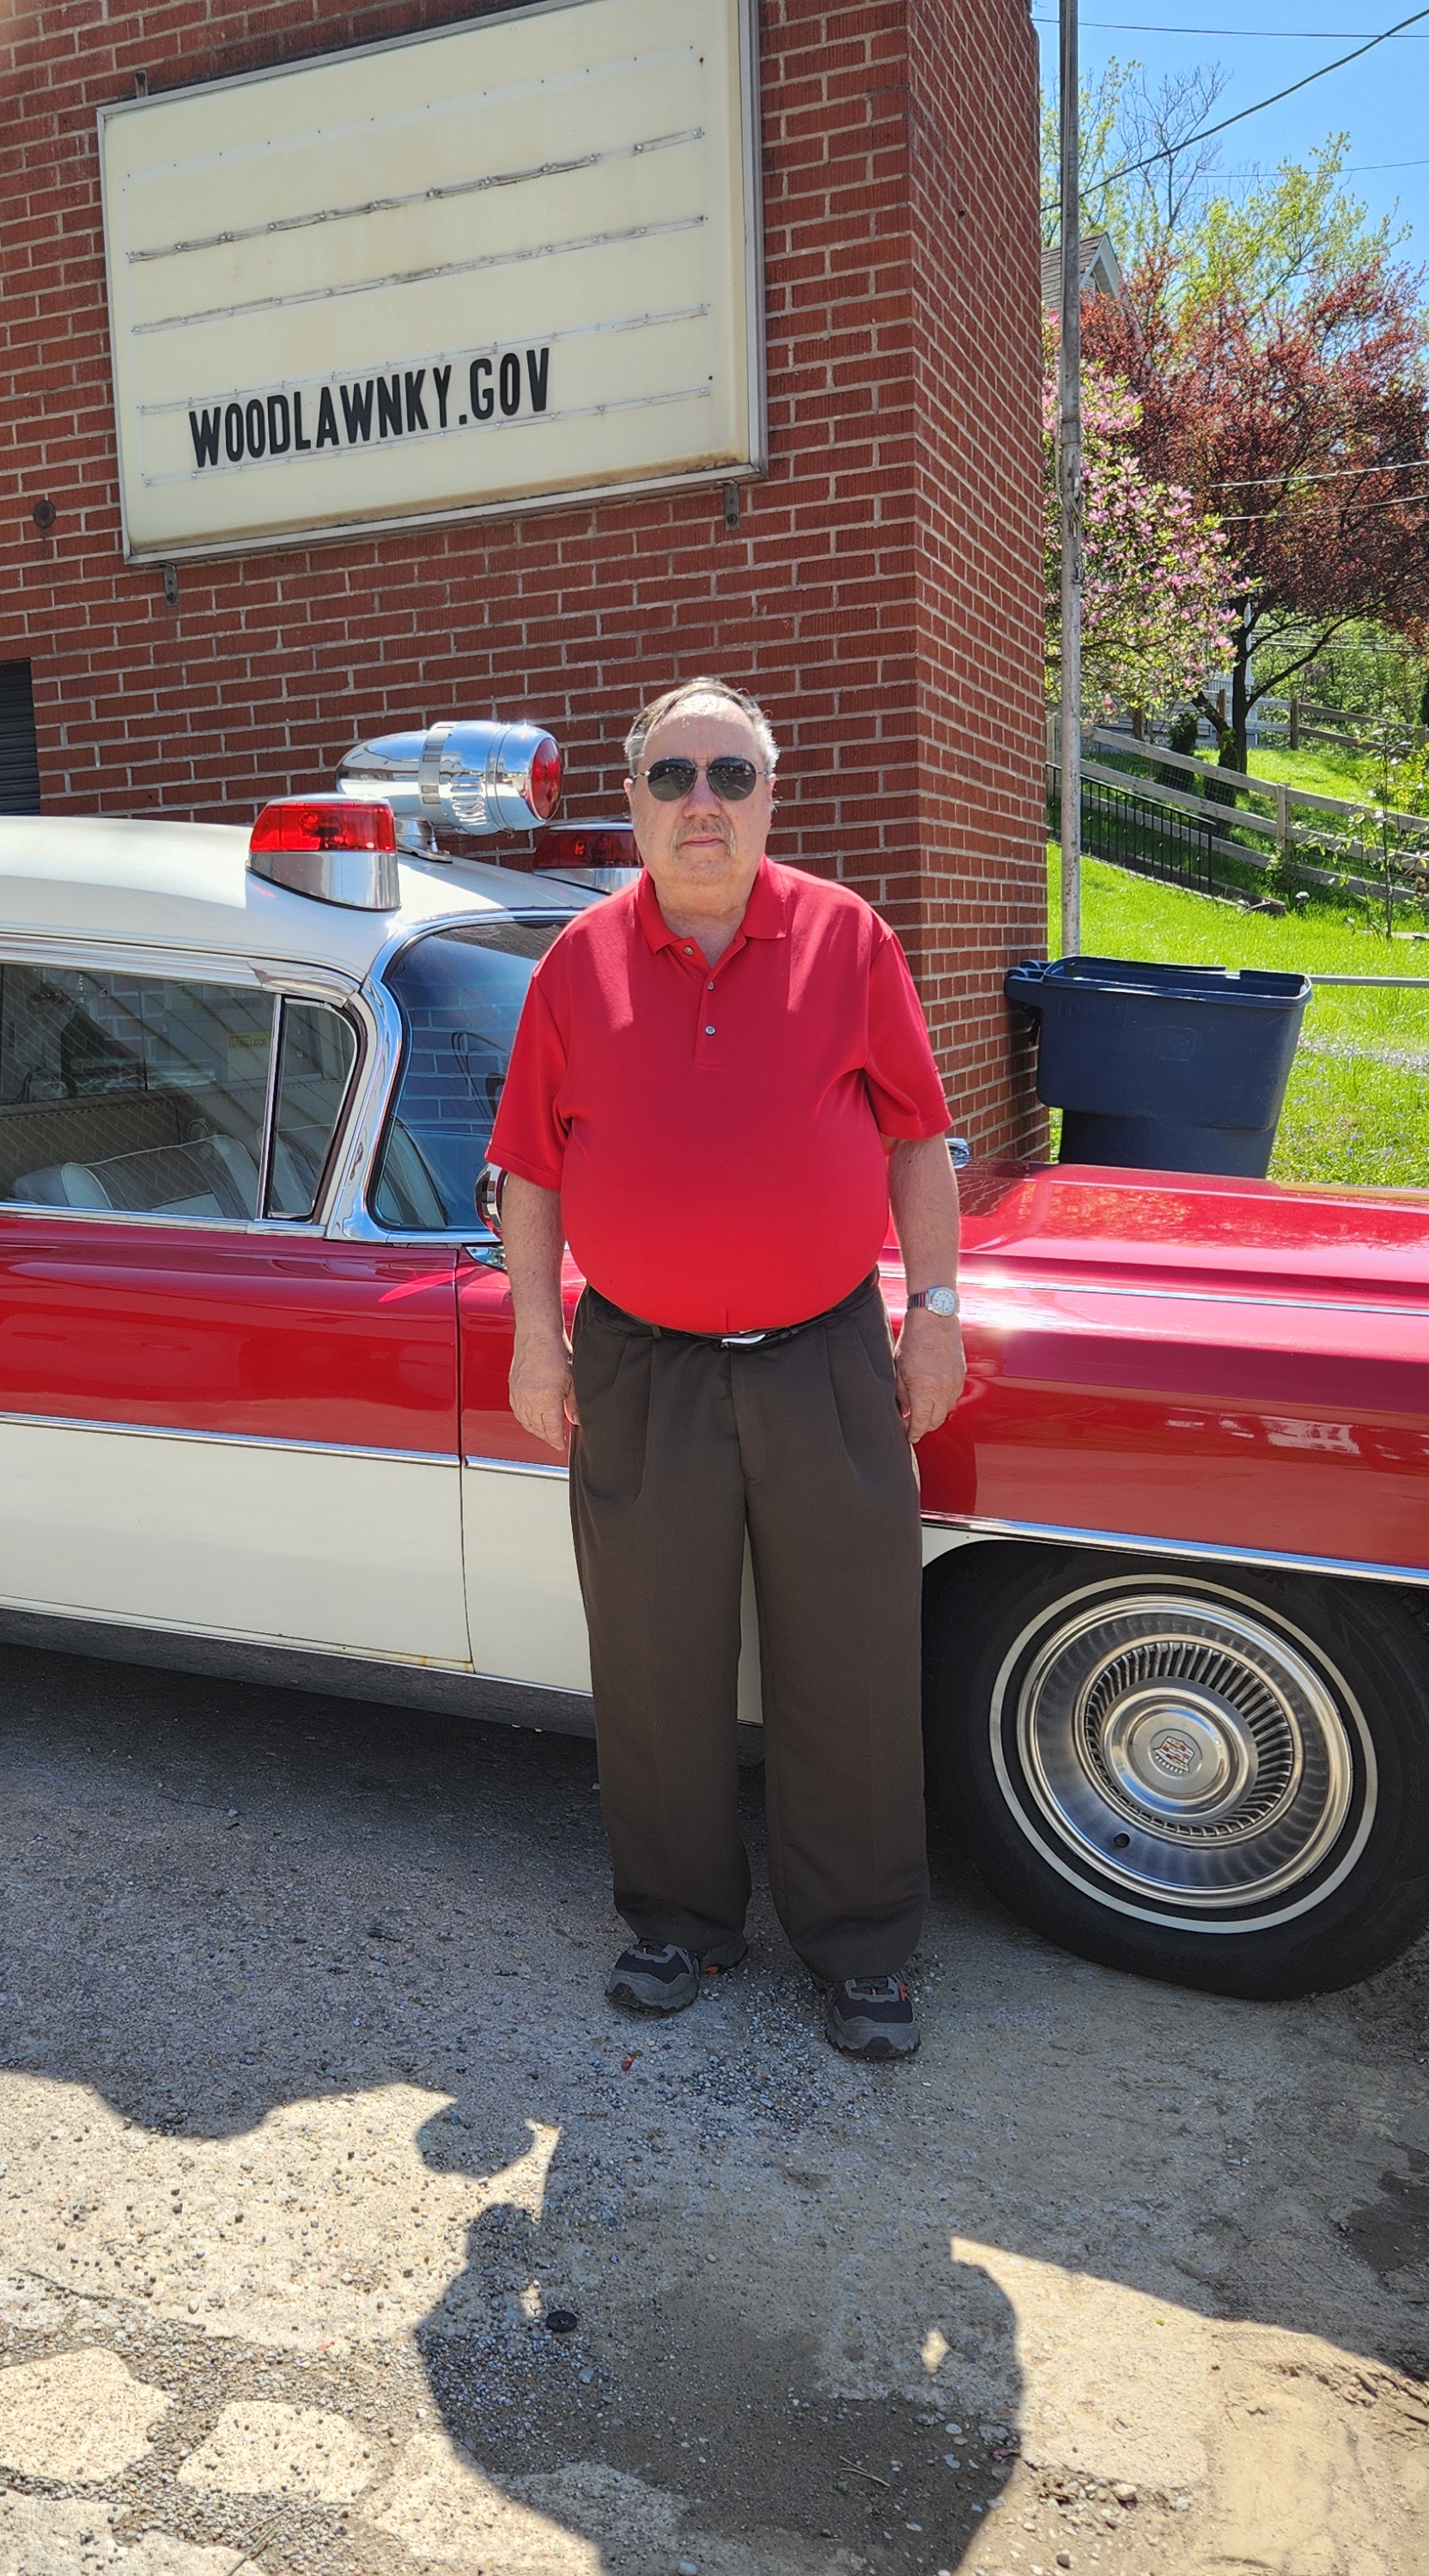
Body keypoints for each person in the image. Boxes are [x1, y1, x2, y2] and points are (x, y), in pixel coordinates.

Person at [485, 676, 964, 2060]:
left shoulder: (847, 938)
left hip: (826, 1357)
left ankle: (864, 1951)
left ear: (771, 796)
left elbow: (917, 1139)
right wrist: (536, 1333)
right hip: (639, 1368)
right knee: (651, 1663)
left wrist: (932, 1311)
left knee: (853, 1660)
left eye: (732, 777)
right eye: (674, 777)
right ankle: (678, 1923)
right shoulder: (576, 963)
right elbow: (529, 1167)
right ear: (632, 804)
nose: (704, 804)